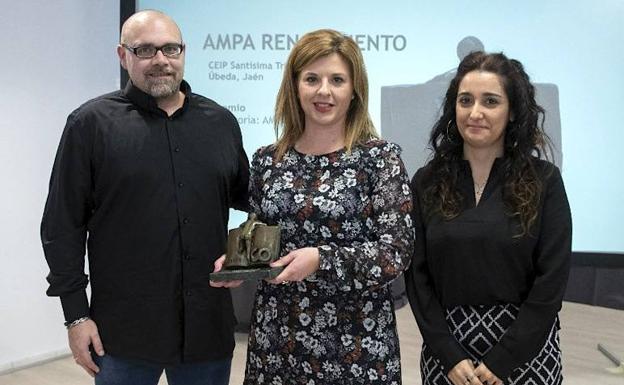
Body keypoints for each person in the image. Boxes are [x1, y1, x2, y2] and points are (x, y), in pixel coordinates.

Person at [41, 10, 249, 385]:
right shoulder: (89, 126)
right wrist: (76, 316)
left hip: (207, 329)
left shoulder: (220, 122)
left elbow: (251, 200)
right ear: (123, 55)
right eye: (146, 50)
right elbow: (61, 227)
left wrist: (243, 259)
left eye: (170, 48)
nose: (161, 61)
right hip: (122, 336)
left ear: (183, 52)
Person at [211, 29, 414, 384]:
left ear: (354, 90)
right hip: (276, 341)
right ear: (295, 86)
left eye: (337, 79)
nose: (324, 91)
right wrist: (239, 262)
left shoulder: (379, 159)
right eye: (312, 79)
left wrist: (322, 260)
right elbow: (262, 237)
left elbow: (395, 253)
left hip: (356, 346)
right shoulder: (267, 161)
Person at [405, 51, 572, 385]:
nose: (475, 112)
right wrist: (448, 354)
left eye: (491, 101)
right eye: (465, 100)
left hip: (527, 355)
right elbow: (417, 277)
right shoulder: (426, 181)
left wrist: (505, 358)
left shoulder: (545, 180)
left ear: (512, 112)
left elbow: (550, 282)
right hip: (449, 361)